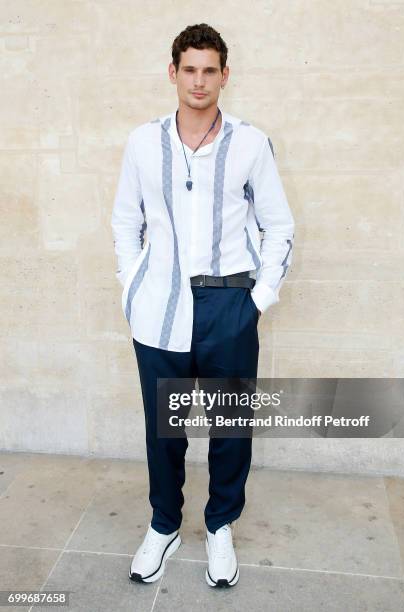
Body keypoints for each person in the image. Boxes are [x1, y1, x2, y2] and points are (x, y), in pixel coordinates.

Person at [111, 23, 295, 588]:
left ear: (224, 76)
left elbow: (279, 226)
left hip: (228, 307)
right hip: (159, 308)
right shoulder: (143, 143)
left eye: (209, 69)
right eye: (188, 69)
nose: (198, 80)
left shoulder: (250, 142)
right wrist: (131, 285)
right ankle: (164, 524)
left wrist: (258, 299)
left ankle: (219, 526)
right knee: (164, 428)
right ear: (173, 72)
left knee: (230, 425)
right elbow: (125, 221)